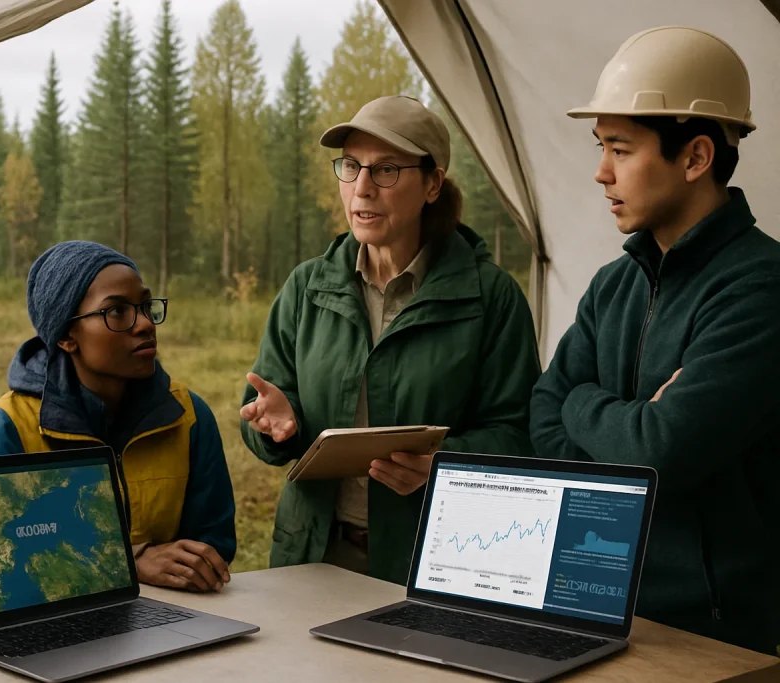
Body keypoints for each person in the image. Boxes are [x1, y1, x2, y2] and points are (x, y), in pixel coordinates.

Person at [531, 26, 780, 654]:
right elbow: (541, 418)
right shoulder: (614, 285)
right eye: (600, 147)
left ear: (695, 157)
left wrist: (583, 402)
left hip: (717, 635)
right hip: (594, 610)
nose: (599, 172)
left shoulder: (762, 289)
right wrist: (631, 423)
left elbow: (662, 450)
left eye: (620, 148)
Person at [239, 95, 541, 586]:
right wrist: (276, 425)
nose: (362, 188)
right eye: (352, 166)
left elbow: (520, 432)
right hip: (314, 556)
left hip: (435, 560)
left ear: (433, 184)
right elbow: (263, 409)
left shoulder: (491, 297)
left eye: (385, 171)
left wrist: (442, 465)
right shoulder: (307, 287)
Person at [0, 241, 236, 594]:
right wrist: (129, 562)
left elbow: (214, 545)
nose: (144, 324)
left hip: (175, 617)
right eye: (117, 312)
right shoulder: (6, 429)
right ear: (67, 335)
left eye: (145, 306)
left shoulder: (188, 416)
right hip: (55, 630)